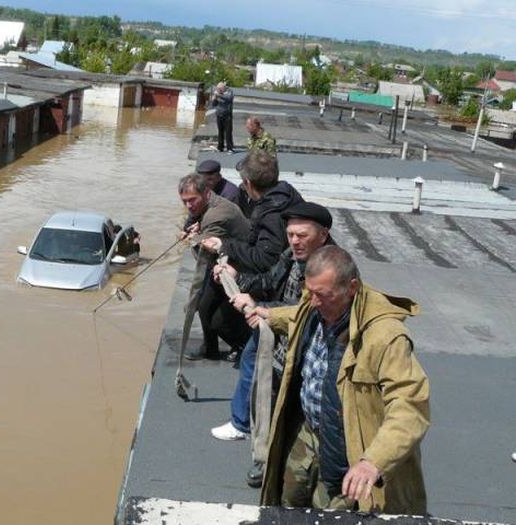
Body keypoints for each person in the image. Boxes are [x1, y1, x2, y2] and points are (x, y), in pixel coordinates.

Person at [260, 246, 430, 514]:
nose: (313, 302)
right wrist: (268, 316)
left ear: (351, 288)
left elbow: (410, 405)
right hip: (308, 434)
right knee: (287, 506)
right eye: (310, 292)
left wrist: (373, 461)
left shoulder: (386, 336)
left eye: (322, 295)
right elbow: (298, 315)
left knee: (333, 516)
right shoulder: (318, 304)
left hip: (347, 448)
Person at [209, 203, 334, 490]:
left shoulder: (329, 270)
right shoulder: (291, 256)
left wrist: (259, 307)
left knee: (298, 415)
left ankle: (291, 471)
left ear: (323, 235)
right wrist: (237, 276)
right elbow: (269, 280)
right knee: (268, 403)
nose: (294, 241)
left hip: (306, 357)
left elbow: (308, 311)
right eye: (290, 234)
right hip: (279, 349)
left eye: (302, 235)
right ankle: (265, 460)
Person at [178, 174, 250, 360]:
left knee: (218, 320)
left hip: (239, 268)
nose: (188, 206)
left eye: (192, 200)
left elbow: (204, 257)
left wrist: (192, 240)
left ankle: (244, 346)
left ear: (207, 193)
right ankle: (210, 349)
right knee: (203, 307)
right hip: (224, 263)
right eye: (184, 201)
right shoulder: (213, 204)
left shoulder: (216, 214)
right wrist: (199, 231)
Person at [201, 150, 303, 274]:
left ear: (248, 183)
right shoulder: (286, 193)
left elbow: (265, 260)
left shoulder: (272, 215)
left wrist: (224, 245)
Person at [212, 82, 234, 153]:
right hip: (219, 115)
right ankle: (220, 147)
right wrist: (214, 99)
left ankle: (229, 148)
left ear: (223, 88)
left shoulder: (229, 92)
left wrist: (218, 95)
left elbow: (228, 99)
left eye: (219, 89)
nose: (218, 90)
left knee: (228, 132)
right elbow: (214, 105)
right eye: (217, 89)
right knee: (220, 132)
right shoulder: (217, 94)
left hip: (227, 115)